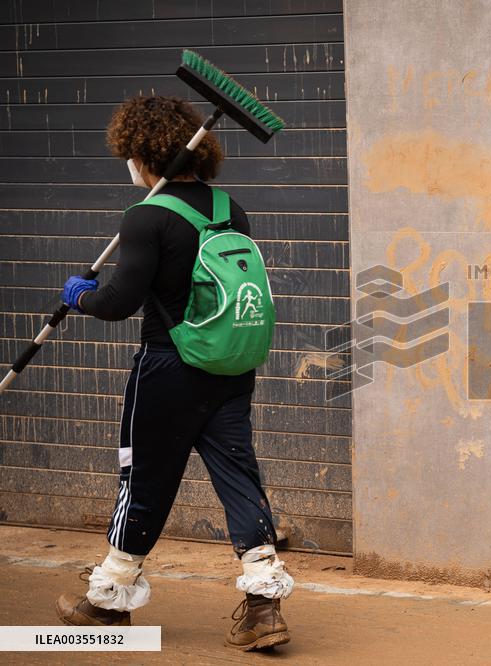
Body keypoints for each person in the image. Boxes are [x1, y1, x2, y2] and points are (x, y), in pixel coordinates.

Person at [55, 95, 293, 651]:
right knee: (239, 477)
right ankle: (263, 608)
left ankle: (108, 601)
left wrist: (80, 296)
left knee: (143, 481)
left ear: (141, 155)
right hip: (230, 366)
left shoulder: (147, 216)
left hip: (168, 368)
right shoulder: (229, 209)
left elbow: (118, 302)